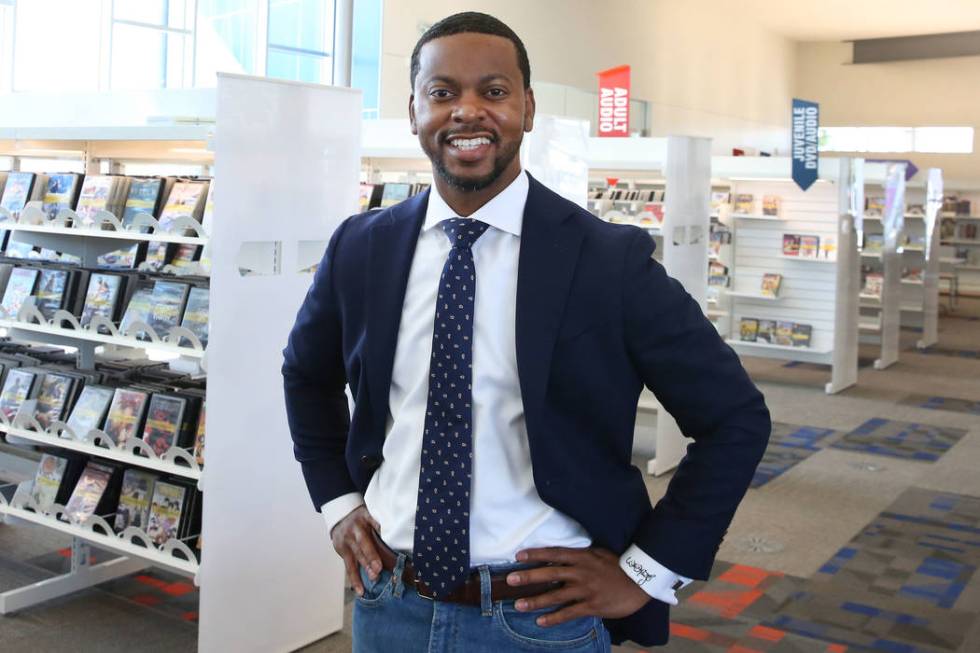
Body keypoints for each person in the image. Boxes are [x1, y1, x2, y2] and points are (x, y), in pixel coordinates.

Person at [282, 11, 770, 651]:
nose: (466, 112)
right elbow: (305, 375)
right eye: (442, 92)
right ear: (412, 111)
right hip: (389, 604)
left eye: (493, 91)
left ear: (528, 108)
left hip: (539, 620)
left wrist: (648, 572)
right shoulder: (362, 247)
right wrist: (338, 503)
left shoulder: (607, 261)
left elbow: (735, 418)